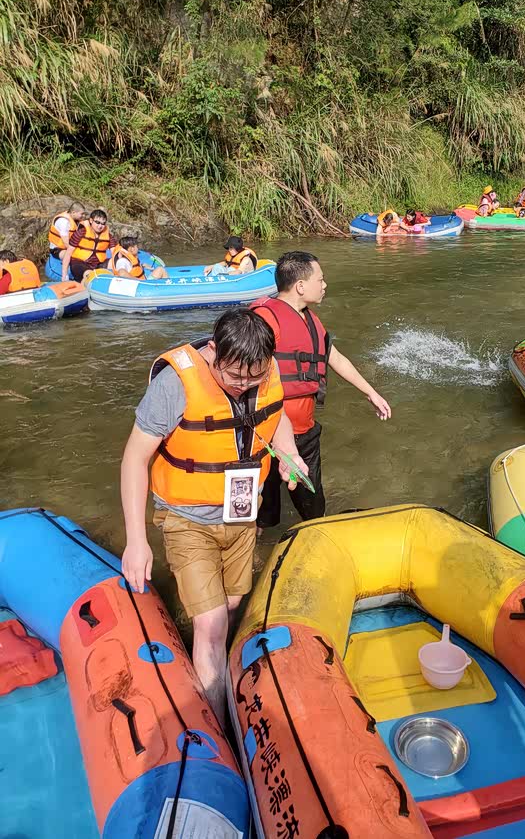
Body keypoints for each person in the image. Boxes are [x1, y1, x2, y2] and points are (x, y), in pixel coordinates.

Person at [120, 308, 308, 724]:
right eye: (234, 377)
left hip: (242, 512)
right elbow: (134, 458)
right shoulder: (175, 384)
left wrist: (290, 455)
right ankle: (218, 732)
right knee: (210, 624)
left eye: (253, 378)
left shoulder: (263, 369)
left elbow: (274, 420)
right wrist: (136, 541)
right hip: (187, 517)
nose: (244, 386)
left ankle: (219, 681)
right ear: (212, 352)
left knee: (232, 606)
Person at [252, 251, 391, 529]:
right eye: (321, 279)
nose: (325, 285)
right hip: (266, 435)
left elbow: (335, 358)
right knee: (265, 514)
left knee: (314, 507)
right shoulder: (265, 320)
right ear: (300, 286)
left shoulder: (311, 320)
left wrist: (370, 392)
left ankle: (315, 539)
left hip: (306, 433)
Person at [62, 208, 117, 283]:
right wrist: (64, 275)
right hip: (80, 263)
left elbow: (115, 253)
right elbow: (68, 254)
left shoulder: (108, 236)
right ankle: (86, 284)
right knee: (89, 274)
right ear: (91, 221)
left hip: (98, 264)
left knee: (114, 261)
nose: (100, 226)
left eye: (103, 223)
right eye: (97, 222)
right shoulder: (81, 233)